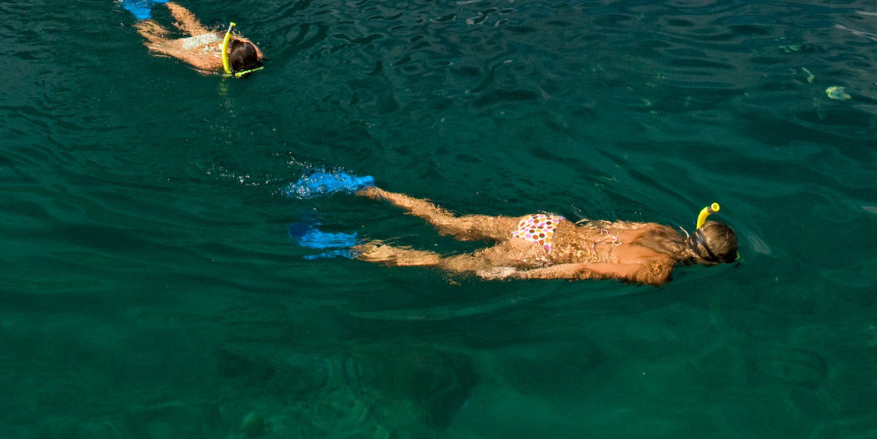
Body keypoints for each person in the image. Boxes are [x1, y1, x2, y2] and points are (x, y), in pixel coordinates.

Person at [286, 171, 739, 285]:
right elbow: (584, 271)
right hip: (540, 255)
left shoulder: (658, 228)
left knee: (448, 221)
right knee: (446, 263)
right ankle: (347, 246)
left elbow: (601, 228)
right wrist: (522, 273)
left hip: (545, 224)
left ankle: (372, 191)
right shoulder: (659, 270)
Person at [119, 0, 264, 77]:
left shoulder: (256, 52)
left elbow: (240, 41)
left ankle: (167, 2)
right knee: (156, 38)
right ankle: (141, 13)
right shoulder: (208, 64)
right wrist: (160, 48)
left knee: (193, 26)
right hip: (196, 48)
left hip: (215, 40)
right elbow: (182, 54)